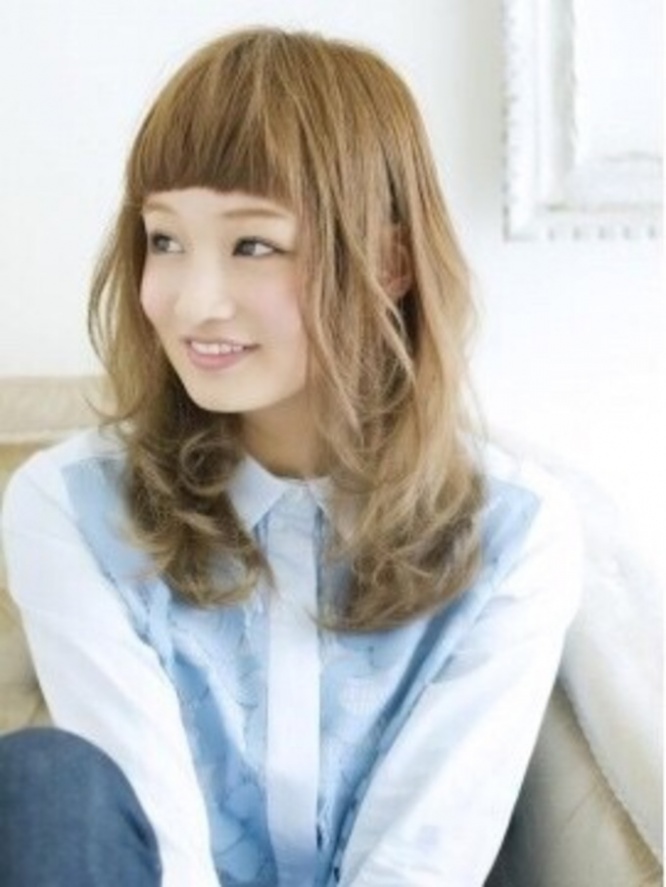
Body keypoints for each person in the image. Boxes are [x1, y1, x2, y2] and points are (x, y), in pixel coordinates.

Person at [0, 26, 582, 887]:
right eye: (165, 239)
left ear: (388, 261)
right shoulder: (71, 505)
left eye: (253, 245)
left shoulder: (513, 534)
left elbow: (420, 864)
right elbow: (154, 844)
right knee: (46, 779)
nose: (193, 302)